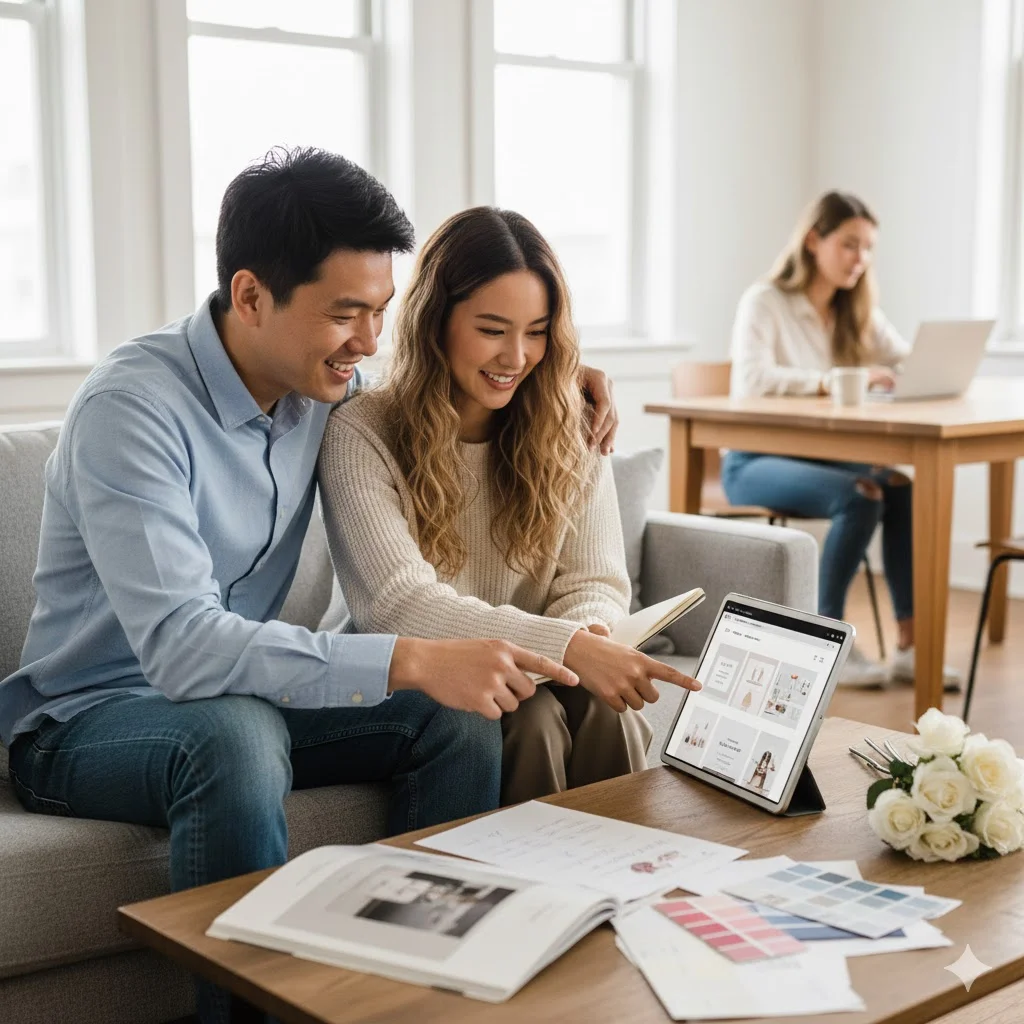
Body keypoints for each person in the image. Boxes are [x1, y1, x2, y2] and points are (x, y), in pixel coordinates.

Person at [0, 149, 622, 1024]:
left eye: (379, 311)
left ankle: (426, 996)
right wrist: (406, 656)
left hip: (243, 692)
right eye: (346, 314)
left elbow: (430, 392)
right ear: (251, 296)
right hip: (91, 719)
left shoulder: (322, 392)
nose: (368, 341)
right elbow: (183, 648)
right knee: (236, 734)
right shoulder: (131, 409)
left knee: (455, 714)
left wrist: (561, 381)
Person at [317, 206, 700, 804]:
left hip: (538, 668)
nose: (516, 356)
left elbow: (594, 579)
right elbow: (399, 606)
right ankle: (528, 890)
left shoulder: (571, 421)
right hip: (418, 678)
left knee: (605, 707)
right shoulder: (362, 433)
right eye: (492, 330)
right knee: (536, 720)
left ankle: (625, 883)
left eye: (538, 331)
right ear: (436, 321)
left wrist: (583, 639)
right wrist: (566, 649)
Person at [722, 190, 961, 690]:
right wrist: (834, 378)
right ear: (814, 241)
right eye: (850, 244)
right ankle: (825, 645)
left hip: (822, 457)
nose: (861, 259)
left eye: (868, 248)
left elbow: (906, 360)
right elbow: (753, 380)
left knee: (901, 485)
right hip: (753, 460)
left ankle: (912, 648)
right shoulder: (766, 302)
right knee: (862, 495)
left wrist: (920, 371)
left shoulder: (858, 312)